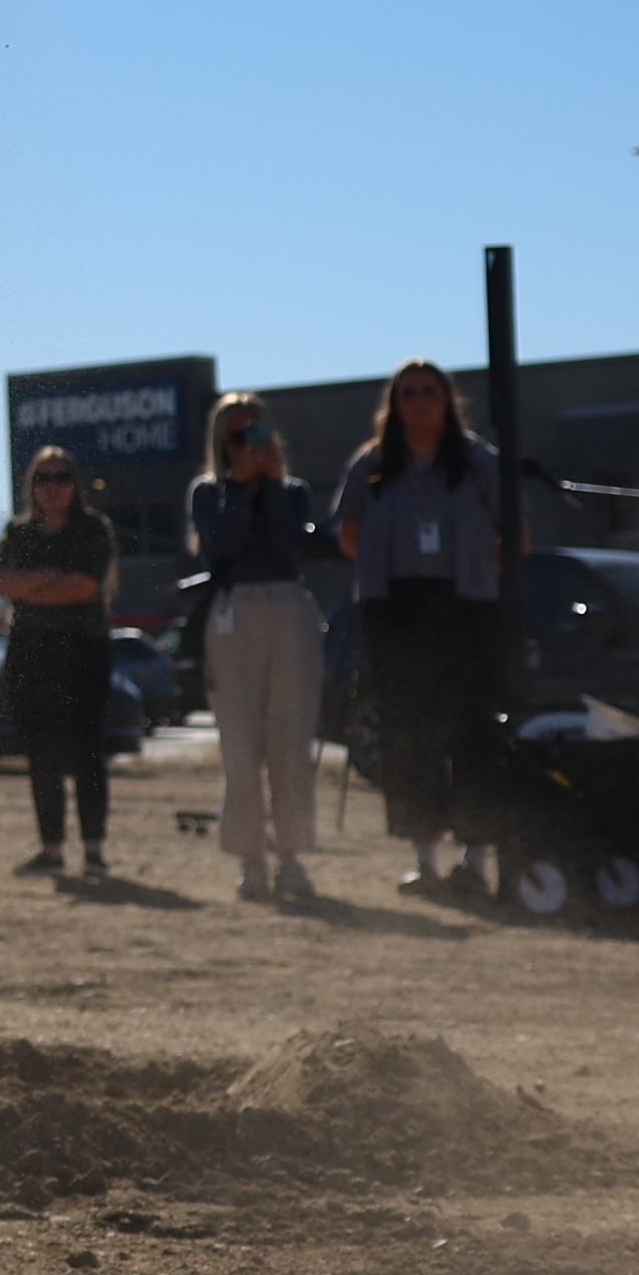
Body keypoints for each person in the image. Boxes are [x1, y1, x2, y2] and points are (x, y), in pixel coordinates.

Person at [329, 357, 510, 875]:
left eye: (430, 391)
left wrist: (475, 568)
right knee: (409, 733)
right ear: (395, 403)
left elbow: (513, 536)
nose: (420, 400)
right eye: (409, 392)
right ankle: (423, 856)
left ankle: (475, 857)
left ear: (448, 400)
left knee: (470, 730)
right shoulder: (372, 464)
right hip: (396, 610)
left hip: (466, 608)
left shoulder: (480, 462)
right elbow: (349, 536)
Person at [190, 388, 332, 905]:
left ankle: (292, 857)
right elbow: (222, 547)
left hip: (288, 605)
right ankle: (250, 858)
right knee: (242, 744)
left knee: (290, 741)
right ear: (220, 440)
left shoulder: (292, 491)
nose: (247, 442)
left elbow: (286, 544)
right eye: (236, 433)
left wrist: (268, 484)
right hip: (232, 611)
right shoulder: (206, 493)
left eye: (256, 430)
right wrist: (237, 487)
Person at [0, 446, 124, 877]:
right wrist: (52, 580)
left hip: (82, 652)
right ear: (32, 484)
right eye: (43, 478)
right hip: (30, 654)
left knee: (87, 753)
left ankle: (94, 851)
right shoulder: (18, 532)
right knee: (41, 755)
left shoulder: (93, 529)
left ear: (75, 482)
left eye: (62, 476)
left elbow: (83, 587)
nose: (53, 486)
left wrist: (29, 589)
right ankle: (51, 850)